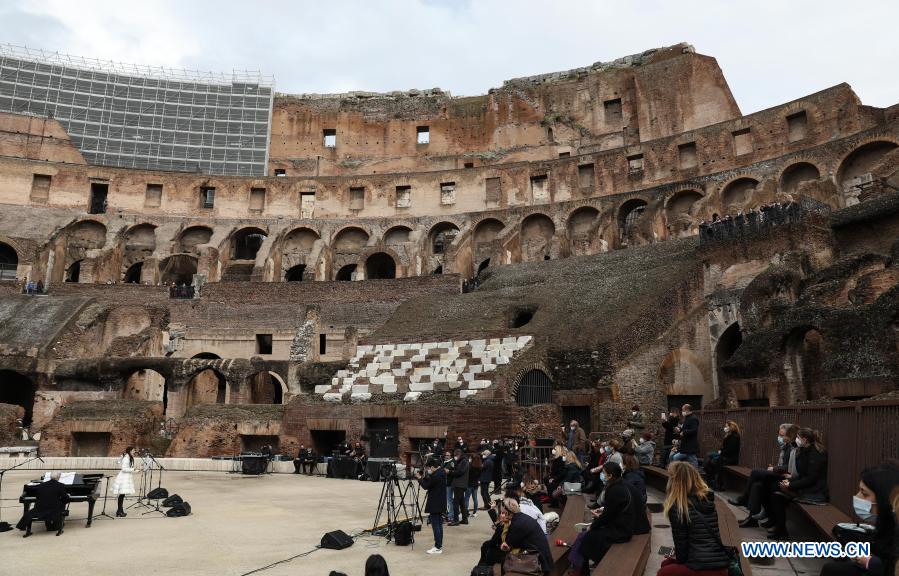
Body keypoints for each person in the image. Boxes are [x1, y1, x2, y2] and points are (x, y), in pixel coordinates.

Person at [820, 461, 899, 576]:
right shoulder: (886, 522)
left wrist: (869, 561)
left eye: (864, 493)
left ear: (883, 497)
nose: (857, 497)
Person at [657, 462, 730, 576]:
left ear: (674, 481)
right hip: (720, 565)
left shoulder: (678, 507)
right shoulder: (706, 500)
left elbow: (682, 548)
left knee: (663, 572)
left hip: (701, 567)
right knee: (667, 563)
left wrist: (676, 558)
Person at [764, 428, 828, 540]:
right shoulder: (803, 451)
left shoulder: (816, 454)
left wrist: (791, 485)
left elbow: (811, 479)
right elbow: (802, 475)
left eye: (798, 438)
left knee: (777, 491)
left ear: (805, 439)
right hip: (805, 487)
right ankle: (780, 529)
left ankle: (780, 530)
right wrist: (790, 481)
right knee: (776, 492)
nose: (796, 440)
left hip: (814, 491)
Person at [730, 423, 798, 526]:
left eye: (783, 435)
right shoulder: (785, 446)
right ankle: (752, 519)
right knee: (757, 485)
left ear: (790, 435)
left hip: (785, 478)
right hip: (780, 474)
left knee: (755, 472)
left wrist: (774, 469)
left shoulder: (792, 448)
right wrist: (774, 468)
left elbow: (788, 468)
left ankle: (744, 499)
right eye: (779, 435)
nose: (780, 438)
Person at [577, 462, 636, 572]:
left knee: (587, 537)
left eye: (604, 473)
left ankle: (584, 569)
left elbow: (607, 516)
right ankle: (589, 565)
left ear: (611, 475)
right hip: (621, 526)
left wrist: (593, 525)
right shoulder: (619, 485)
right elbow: (613, 509)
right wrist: (602, 511)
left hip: (621, 531)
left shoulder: (614, 490)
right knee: (590, 536)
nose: (602, 475)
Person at [501, 498, 554, 574]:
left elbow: (507, 543)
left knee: (505, 561)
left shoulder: (517, 524)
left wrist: (506, 523)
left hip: (539, 561)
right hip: (544, 558)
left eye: (503, 512)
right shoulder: (522, 517)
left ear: (508, 512)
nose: (502, 514)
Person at [17, 471, 69, 537]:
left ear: (50, 477)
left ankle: (49, 526)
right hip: (53, 509)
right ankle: (57, 525)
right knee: (61, 504)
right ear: (58, 477)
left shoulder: (41, 485)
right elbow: (66, 498)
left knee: (47, 504)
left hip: (40, 508)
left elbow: (37, 496)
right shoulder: (60, 485)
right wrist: (64, 500)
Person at [416, 458, 446, 555]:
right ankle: (439, 545)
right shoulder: (441, 472)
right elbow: (431, 482)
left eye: (429, 468)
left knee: (435, 525)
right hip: (440, 501)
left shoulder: (436, 475)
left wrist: (419, 478)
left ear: (433, 467)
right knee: (439, 524)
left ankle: (437, 547)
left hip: (435, 502)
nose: (429, 470)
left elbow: (426, 486)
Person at [703, 420, 741, 491]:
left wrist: (721, 452)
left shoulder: (734, 437)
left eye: (726, 426)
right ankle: (708, 475)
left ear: (731, 427)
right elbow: (724, 447)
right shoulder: (729, 435)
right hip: (724, 455)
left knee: (713, 460)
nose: (725, 428)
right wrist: (721, 451)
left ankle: (712, 480)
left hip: (730, 458)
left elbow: (730, 450)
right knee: (709, 456)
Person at [672, 404, 700, 468]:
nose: (682, 412)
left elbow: (694, 430)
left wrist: (684, 432)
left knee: (693, 460)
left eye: (683, 410)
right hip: (685, 446)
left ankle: (695, 474)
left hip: (690, 445)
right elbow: (685, 428)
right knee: (675, 457)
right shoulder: (687, 418)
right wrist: (679, 430)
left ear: (687, 410)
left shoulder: (693, 418)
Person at [112, 446, 136, 517]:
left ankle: (119, 510)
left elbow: (129, 468)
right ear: (130, 451)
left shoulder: (129, 457)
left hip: (126, 477)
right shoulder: (126, 458)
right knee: (121, 495)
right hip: (123, 478)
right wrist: (133, 470)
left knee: (122, 495)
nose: (134, 452)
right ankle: (119, 511)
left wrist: (134, 470)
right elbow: (124, 469)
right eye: (133, 450)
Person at [448, 448, 470, 526]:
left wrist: (450, 471)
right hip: (460, 484)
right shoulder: (462, 461)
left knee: (455, 502)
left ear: (459, 454)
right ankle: (464, 519)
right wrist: (454, 466)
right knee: (461, 502)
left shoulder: (464, 461)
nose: (455, 457)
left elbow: (460, 472)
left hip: (459, 485)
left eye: (455, 456)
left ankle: (456, 520)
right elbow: (459, 470)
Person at [467, 452, 482, 518]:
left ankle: (466, 512)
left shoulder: (470, 466)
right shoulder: (480, 466)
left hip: (469, 484)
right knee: (475, 498)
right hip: (475, 484)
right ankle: (475, 512)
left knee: (466, 498)